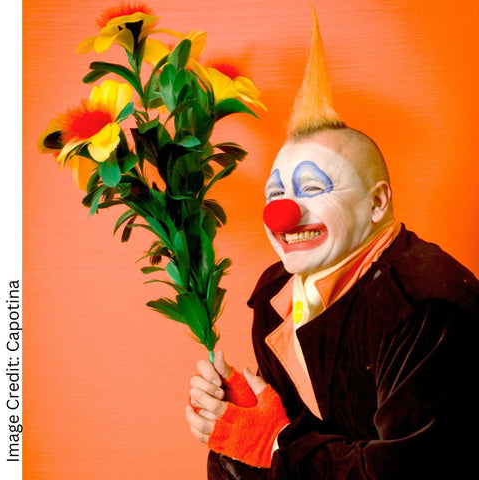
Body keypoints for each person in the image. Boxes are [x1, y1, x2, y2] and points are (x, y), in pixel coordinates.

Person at [185, 13, 479, 480]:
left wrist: (276, 444)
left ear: (377, 202)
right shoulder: (275, 292)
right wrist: (238, 416)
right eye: (276, 194)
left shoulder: (429, 307)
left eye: (314, 189)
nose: (284, 212)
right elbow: (284, 434)